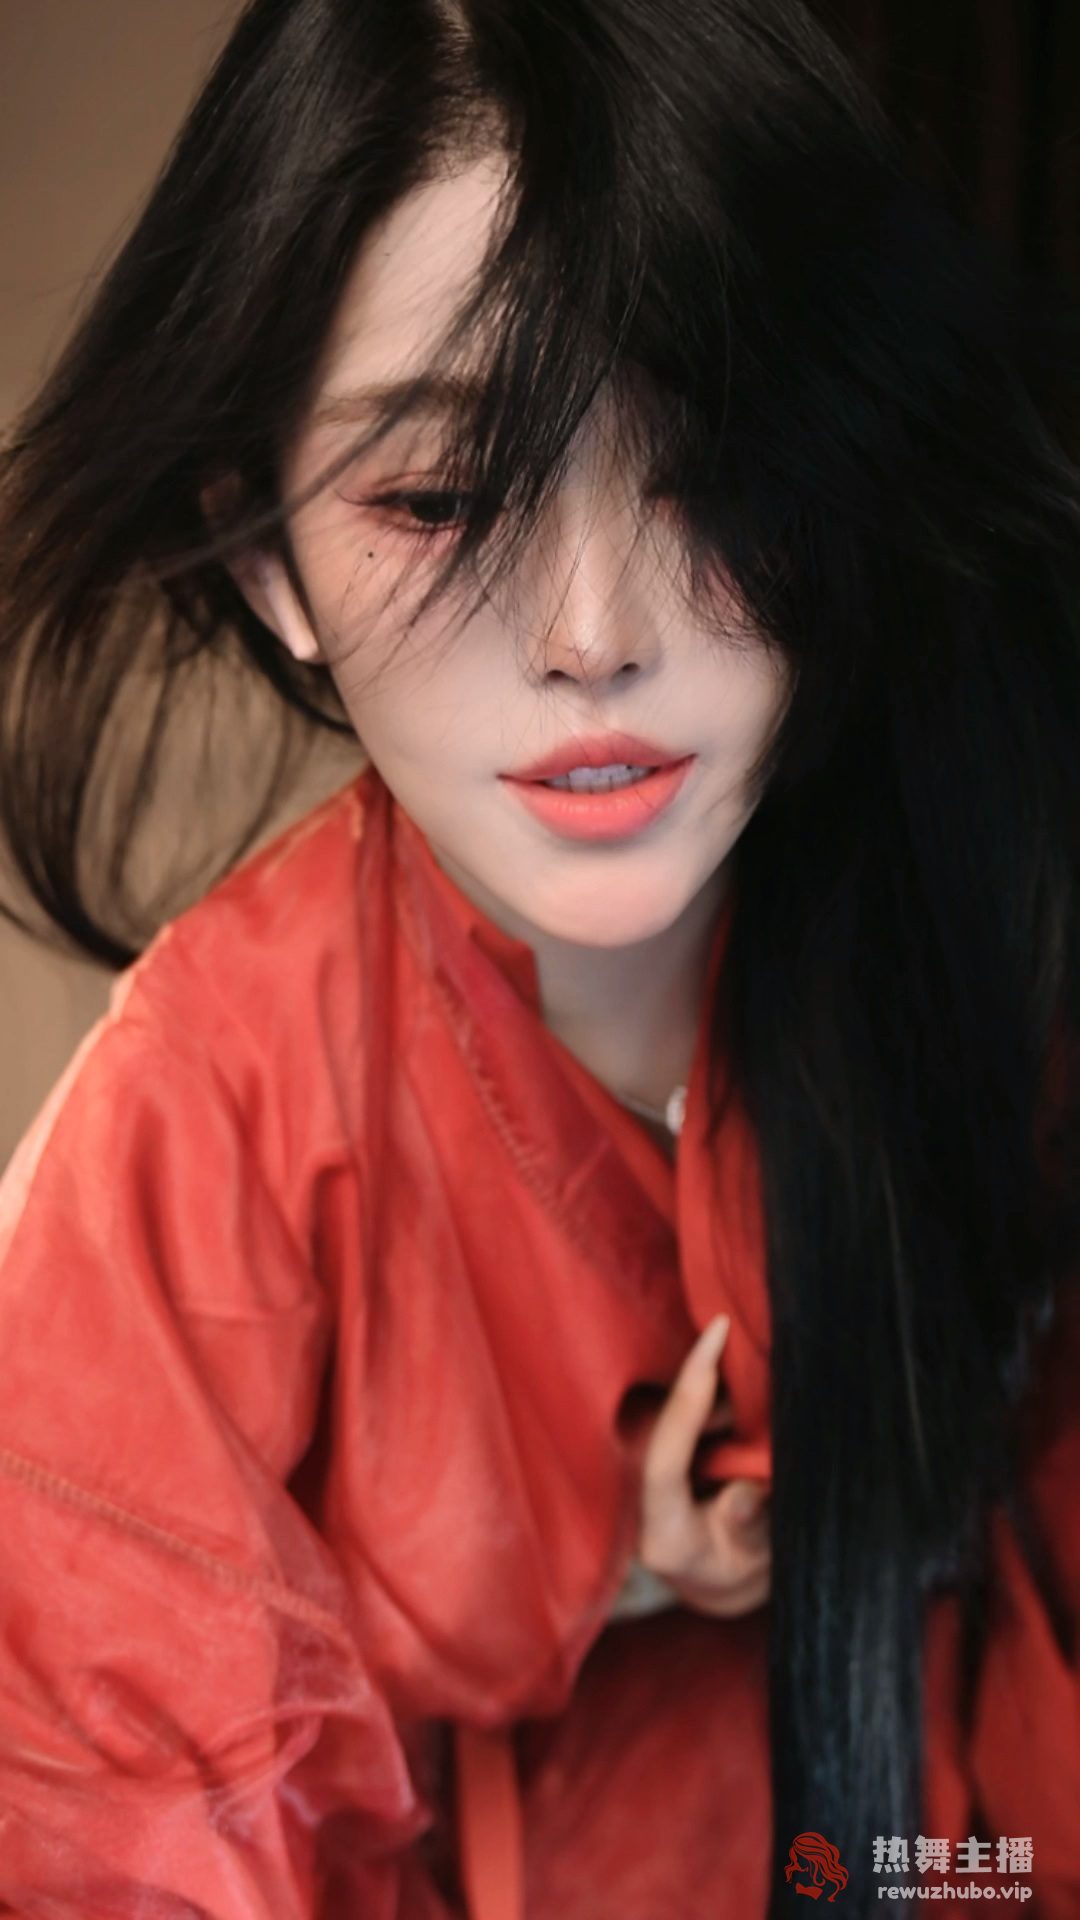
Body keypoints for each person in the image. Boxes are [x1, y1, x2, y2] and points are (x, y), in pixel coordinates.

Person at [0, 1, 1075, 1915]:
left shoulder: (1009, 939)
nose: (592, 631)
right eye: (437, 496)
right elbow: (118, 1830)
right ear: (262, 553)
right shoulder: (198, 1126)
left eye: (720, 464)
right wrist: (600, 1572)